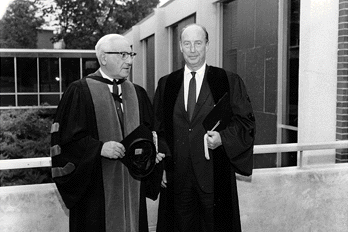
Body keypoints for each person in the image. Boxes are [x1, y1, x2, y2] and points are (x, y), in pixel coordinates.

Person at [50, 34, 164, 232]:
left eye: (130, 54)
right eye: (122, 55)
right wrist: (99, 148)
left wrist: (152, 154)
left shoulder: (137, 93)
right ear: (103, 58)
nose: (129, 60)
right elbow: (65, 142)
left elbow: (151, 133)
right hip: (95, 195)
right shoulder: (79, 91)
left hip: (131, 190)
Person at [153, 24, 256, 232]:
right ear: (180, 47)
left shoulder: (227, 81)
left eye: (198, 43)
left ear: (207, 45)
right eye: (187, 44)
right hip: (178, 179)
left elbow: (246, 123)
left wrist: (222, 138)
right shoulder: (167, 84)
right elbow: (158, 129)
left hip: (214, 177)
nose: (192, 49)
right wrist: (161, 167)